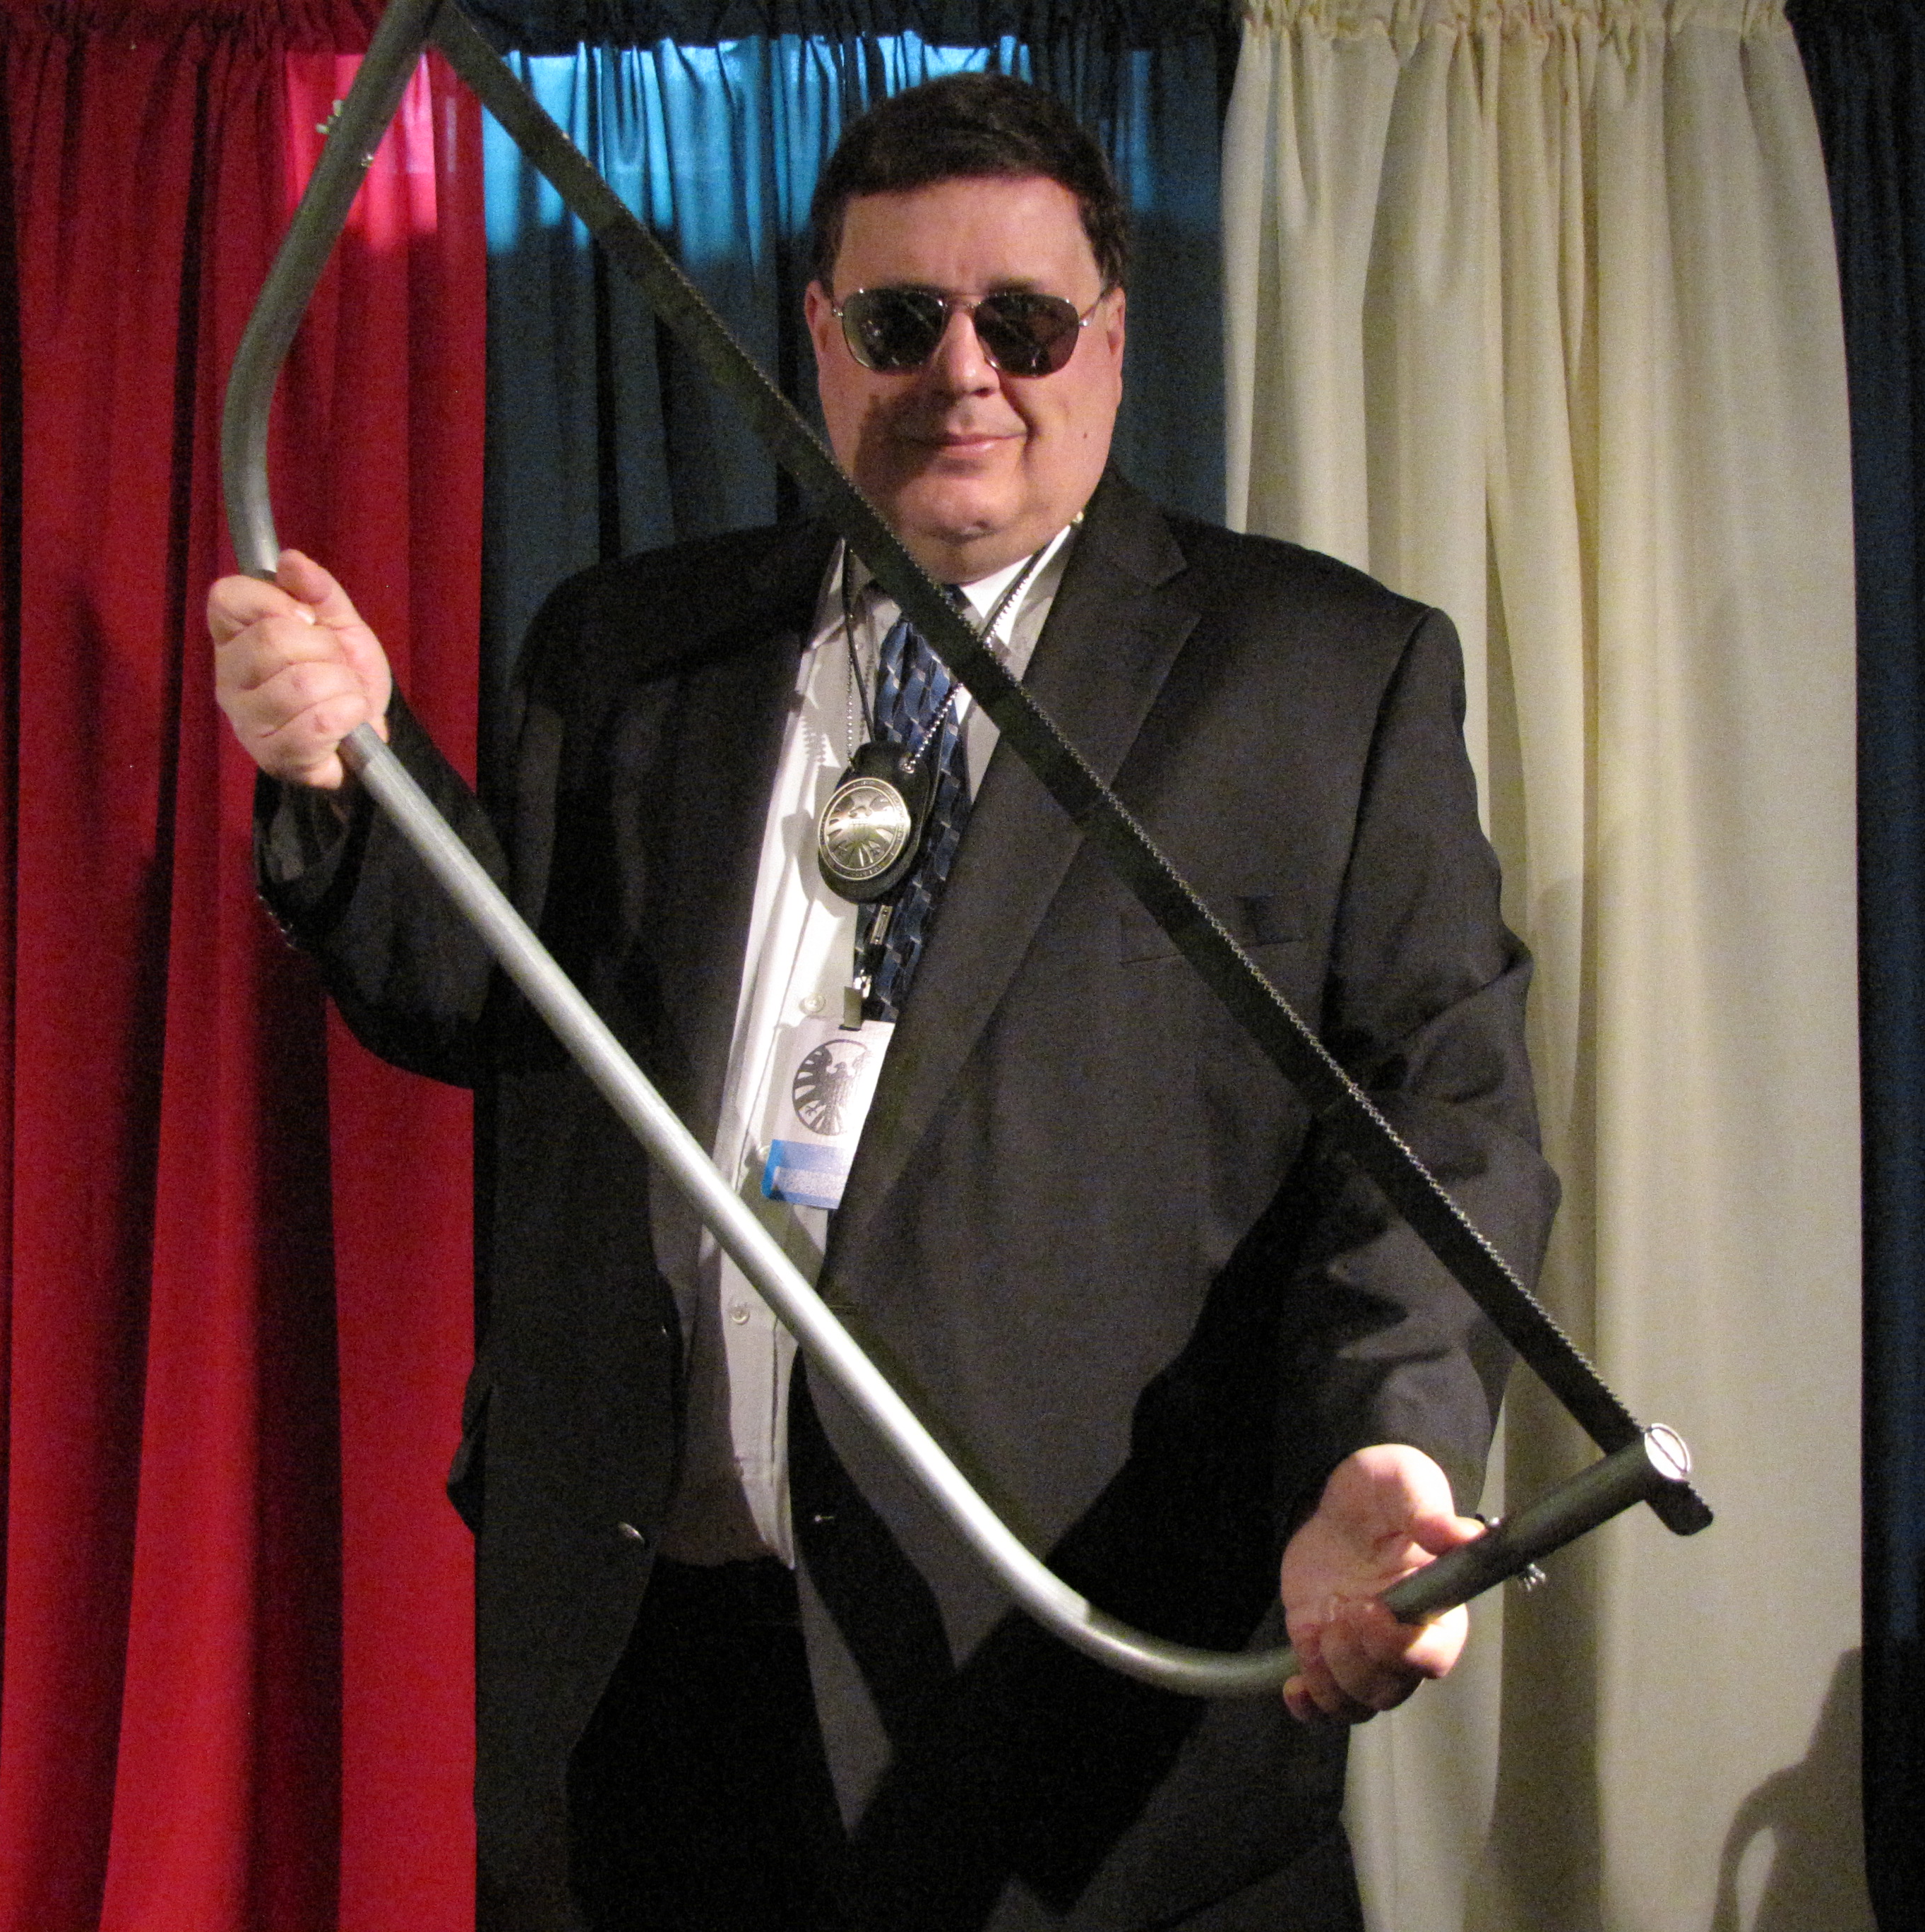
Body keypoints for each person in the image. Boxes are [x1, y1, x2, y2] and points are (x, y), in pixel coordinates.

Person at [209, 73, 1554, 1932]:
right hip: (657, 1667)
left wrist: (1386, 1434)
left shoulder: (1319, 676)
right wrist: (349, 777)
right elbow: (488, 1008)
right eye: (904, 320)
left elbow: (1442, 1109)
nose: (965, 375)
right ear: (820, 333)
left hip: (1073, 1717)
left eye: (1026, 324)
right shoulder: (629, 645)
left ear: (1113, 341)